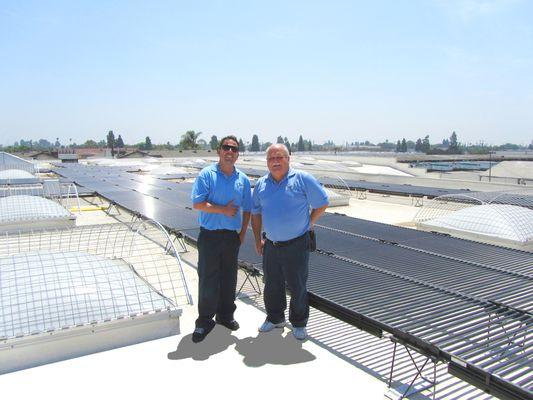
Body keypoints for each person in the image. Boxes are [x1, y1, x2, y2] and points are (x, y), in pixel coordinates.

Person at [251, 144, 328, 340]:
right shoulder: (261, 184)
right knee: (271, 284)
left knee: (298, 286)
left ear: (288, 158)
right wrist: (258, 238)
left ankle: (299, 323)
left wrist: (309, 222)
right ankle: (275, 318)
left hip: (296, 244)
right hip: (271, 244)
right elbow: (256, 212)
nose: (275, 162)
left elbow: (322, 202)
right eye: (271, 159)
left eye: (279, 157)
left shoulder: (302, 179)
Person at [190, 135, 252, 343]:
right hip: (210, 236)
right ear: (219, 151)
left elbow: (248, 209)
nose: (230, 152)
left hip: (231, 238)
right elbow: (197, 203)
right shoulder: (207, 175)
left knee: (229, 279)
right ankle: (204, 321)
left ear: (237, 154)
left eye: (234, 149)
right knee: (208, 278)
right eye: (226, 148)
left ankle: (225, 316)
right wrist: (222, 210)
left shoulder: (242, 179)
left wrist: (243, 233)